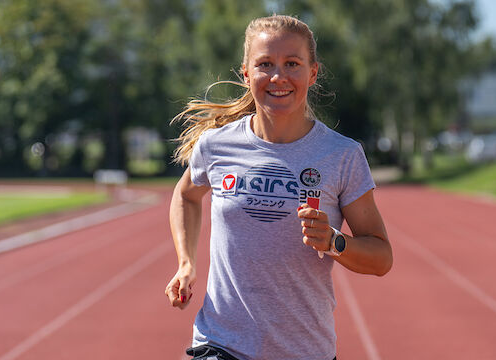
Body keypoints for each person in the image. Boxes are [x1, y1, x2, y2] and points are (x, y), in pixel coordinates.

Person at [165, 14, 393, 360]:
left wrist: (334, 241)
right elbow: (186, 195)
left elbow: (381, 258)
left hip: (304, 350)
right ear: (246, 73)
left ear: (312, 73)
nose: (278, 77)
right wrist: (186, 262)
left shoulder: (342, 155)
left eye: (292, 64)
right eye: (265, 64)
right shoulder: (216, 146)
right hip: (221, 343)